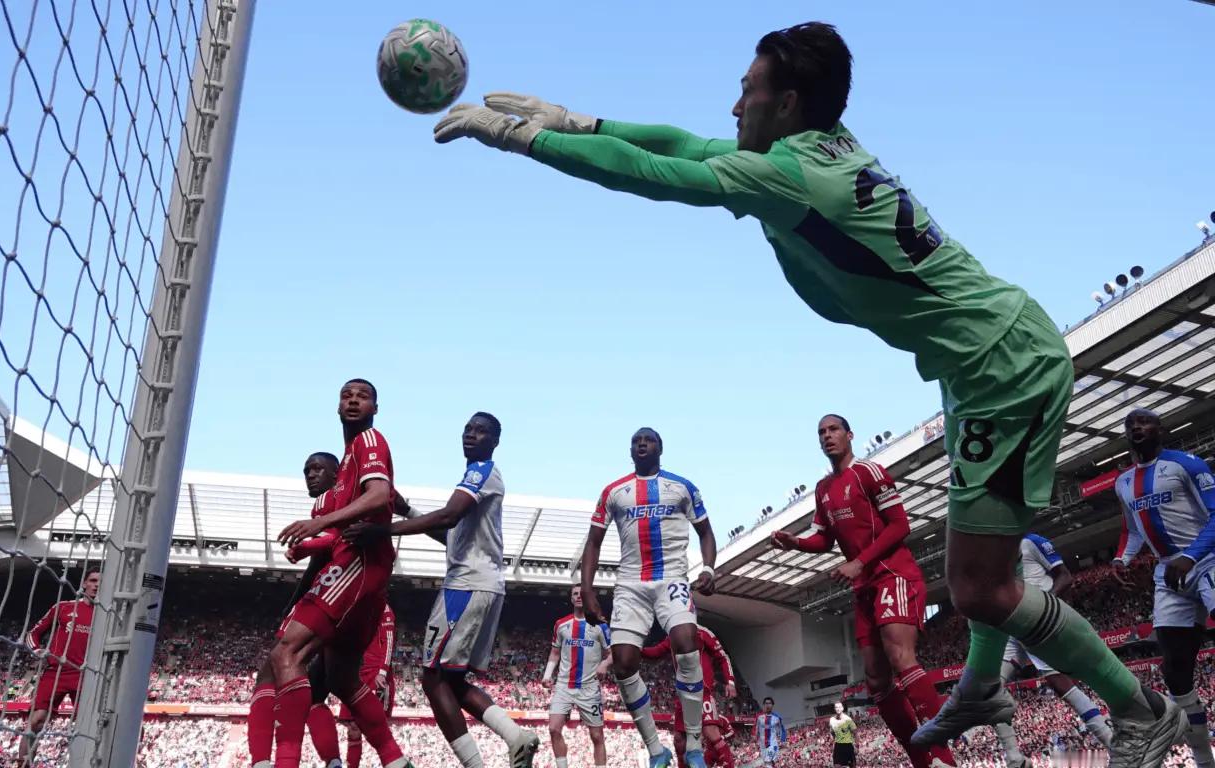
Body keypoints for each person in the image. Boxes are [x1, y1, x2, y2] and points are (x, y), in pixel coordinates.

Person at [432, 20, 1188, 766]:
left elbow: (653, 172)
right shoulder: (822, 147)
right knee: (981, 568)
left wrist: (526, 140)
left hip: (1001, 366)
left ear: (788, 102)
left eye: (747, 91)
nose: (735, 107)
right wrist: (581, 121)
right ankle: (983, 687)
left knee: (981, 588)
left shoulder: (789, 176)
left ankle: (1140, 711)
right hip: (979, 360)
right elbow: (685, 144)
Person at [771, 414, 954, 768]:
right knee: (875, 680)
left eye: (833, 429)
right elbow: (825, 540)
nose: (827, 436)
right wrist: (796, 543)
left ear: (850, 435)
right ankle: (922, 760)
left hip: (893, 573)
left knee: (900, 657)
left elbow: (900, 524)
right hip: (864, 587)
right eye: (821, 432)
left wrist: (859, 561)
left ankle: (942, 755)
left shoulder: (869, 472)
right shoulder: (823, 489)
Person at [271, 379, 412, 768]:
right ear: (336, 407)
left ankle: (284, 761)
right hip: (364, 568)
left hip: (358, 563)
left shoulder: (369, 441)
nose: (353, 401)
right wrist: (310, 544)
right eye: (346, 396)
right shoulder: (350, 458)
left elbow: (379, 496)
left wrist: (319, 525)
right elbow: (350, 521)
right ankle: (395, 761)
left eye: (362, 396)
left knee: (286, 652)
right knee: (342, 678)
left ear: (375, 408)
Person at [388, 412, 540, 768]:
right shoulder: (477, 480)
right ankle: (517, 737)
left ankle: (475, 764)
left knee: (432, 677)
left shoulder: (481, 472)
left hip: (466, 585)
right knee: (453, 681)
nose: (471, 434)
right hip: (482, 584)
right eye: (468, 429)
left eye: (481, 430)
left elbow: (448, 516)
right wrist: (407, 510)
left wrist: (384, 530)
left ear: (495, 441)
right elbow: (451, 535)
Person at [579, 427, 718, 768]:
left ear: (660, 448)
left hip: (672, 579)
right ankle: (656, 750)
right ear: (630, 451)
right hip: (630, 584)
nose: (641, 444)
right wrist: (587, 589)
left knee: (686, 643)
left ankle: (694, 745)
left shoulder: (683, 487)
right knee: (623, 663)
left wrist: (708, 569)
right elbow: (593, 542)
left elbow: (706, 532)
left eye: (648, 440)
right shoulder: (613, 492)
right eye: (636, 441)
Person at [1112, 408, 1215, 768]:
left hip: (1207, 558)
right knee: (1174, 668)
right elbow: (1132, 529)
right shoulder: (1123, 482)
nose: (1136, 427)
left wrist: (1190, 555)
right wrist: (1121, 560)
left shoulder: (1187, 464)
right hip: (1168, 573)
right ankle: (1204, 760)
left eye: (1144, 421)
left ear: (1160, 428)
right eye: (1130, 424)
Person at [246, 451, 341, 768]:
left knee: (276, 666)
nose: (310, 475)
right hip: (346, 592)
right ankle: (334, 762)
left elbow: (331, 542)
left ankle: (268, 761)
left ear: (336, 474)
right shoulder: (341, 501)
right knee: (318, 693)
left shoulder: (329, 500)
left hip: (333, 589)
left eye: (318, 469)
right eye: (306, 470)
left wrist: (303, 546)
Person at [992, 532, 1113, 768]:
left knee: (1060, 684)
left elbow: (1064, 576)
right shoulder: (990, 553)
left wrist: (1045, 603)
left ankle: (1111, 741)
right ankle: (1014, 758)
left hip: (1037, 619)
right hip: (1010, 626)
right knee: (990, 688)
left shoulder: (1030, 542)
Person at [19, 568, 99, 766]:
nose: (97, 585)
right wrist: (37, 650)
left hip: (86, 675)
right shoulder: (63, 607)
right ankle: (23, 764)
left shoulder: (106, 615)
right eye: (93, 580)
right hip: (57, 671)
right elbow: (33, 633)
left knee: (86, 726)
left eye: (101, 582)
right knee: (36, 720)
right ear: (84, 583)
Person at [640, 617, 737, 768]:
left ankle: (730, 765)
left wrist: (730, 681)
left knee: (711, 732)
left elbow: (722, 656)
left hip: (702, 692)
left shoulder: (703, 632)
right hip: (683, 695)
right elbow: (656, 652)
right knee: (679, 740)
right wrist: (636, 650)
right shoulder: (673, 635)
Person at [545, 585, 612, 768]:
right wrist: (547, 675)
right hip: (564, 685)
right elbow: (554, 653)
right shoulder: (561, 624)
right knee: (553, 728)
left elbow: (612, 653)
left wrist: (604, 664)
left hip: (589, 688)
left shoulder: (600, 626)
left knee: (597, 735)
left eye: (582, 593)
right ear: (571, 599)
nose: (579, 596)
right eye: (575, 594)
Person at [344, 603, 398, 768]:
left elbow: (389, 640)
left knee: (379, 732)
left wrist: (382, 671)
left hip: (376, 674)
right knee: (353, 727)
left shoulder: (384, 609)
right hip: (357, 672)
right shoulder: (357, 607)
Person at [753, 697, 785, 766]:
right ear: (763, 705)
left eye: (769, 703)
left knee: (768, 762)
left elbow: (782, 729)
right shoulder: (759, 717)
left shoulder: (777, 717)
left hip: (773, 744)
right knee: (768, 764)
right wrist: (755, 737)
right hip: (762, 746)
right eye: (766, 703)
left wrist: (782, 740)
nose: (768, 705)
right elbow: (755, 728)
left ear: (772, 705)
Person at [829, 702, 856, 768]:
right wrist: (832, 743)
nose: (838, 709)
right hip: (838, 746)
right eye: (836, 707)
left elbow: (855, 733)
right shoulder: (832, 720)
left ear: (842, 708)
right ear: (834, 709)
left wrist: (856, 746)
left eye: (839, 707)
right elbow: (832, 732)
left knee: (852, 765)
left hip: (848, 745)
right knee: (836, 766)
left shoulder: (848, 719)